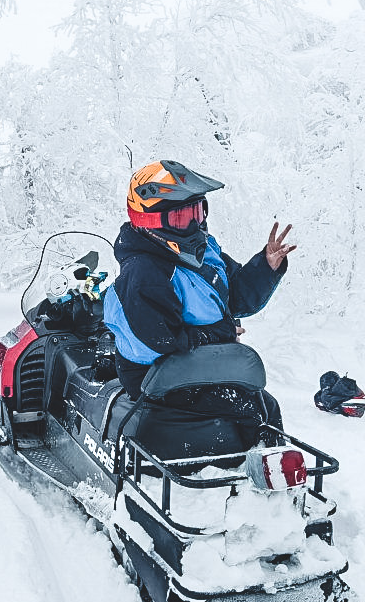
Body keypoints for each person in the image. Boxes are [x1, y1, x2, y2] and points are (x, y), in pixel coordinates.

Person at [102, 160, 296, 414]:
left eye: (198, 212)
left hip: (196, 363)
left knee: (262, 405)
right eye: (182, 218)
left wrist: (265, 268)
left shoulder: (202, 252)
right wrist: (220, 333)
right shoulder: (144, 273)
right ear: (149, 220)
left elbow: (234, 297)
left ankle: (264, 452)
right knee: (253, 409)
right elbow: (162, 341)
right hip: (155, 376)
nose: (195, 224)